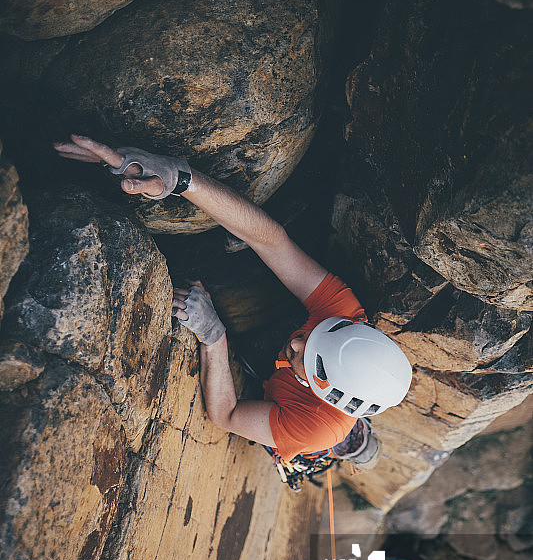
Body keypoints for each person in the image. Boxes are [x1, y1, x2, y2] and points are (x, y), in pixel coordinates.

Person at [54, 136, 412, 463]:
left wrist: (214, 336)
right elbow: (272, 241)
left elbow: (225, 415)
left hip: (275, 395)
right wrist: (180, 178)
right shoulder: (344, 315)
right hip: (283, 371)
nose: (300, 339)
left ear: (326, 393)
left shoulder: (314, 428)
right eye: (320, 332)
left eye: (309, 355)